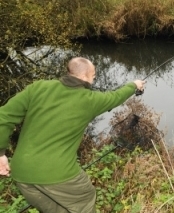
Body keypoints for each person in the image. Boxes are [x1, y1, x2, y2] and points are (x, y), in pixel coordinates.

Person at [0, 57, 145, 213]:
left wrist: (1, 153)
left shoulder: (38, 87)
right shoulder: (91, 100)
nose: (94, 78)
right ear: (85, 76)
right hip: (60, 174)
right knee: (86, 198)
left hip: (22, 174)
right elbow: (116, 97)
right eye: (93, 75)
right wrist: (134, 85)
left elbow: (4, 117)